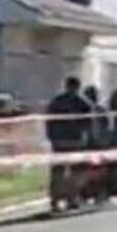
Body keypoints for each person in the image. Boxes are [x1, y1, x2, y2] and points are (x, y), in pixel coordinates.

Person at [45, 76, 92, 212]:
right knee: (75, 172)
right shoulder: (83, 102)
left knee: (58, 172)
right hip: (75, 141)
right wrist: (86, 138)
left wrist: (51, 137)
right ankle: (72, 199)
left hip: (59, 141)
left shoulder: (56, 101)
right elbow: (88, 123)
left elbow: (49, 121)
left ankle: (55, 200)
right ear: (78, 87)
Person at [82, 85, 109, 203]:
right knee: (94, 169)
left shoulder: (98, 110)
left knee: (94, 169)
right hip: (94, 143)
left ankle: (95, 192)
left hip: (92, 143)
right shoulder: (97, 109)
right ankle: (94, 192)